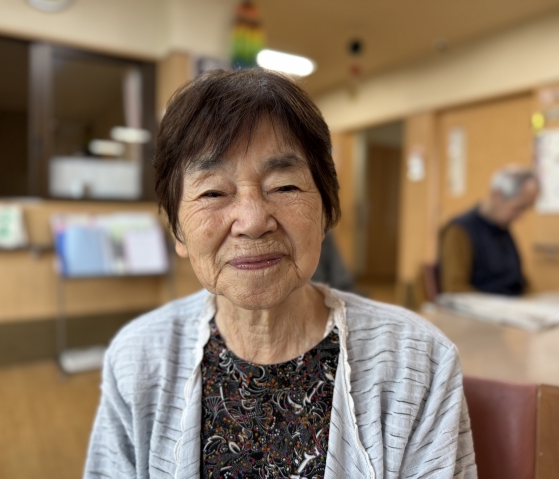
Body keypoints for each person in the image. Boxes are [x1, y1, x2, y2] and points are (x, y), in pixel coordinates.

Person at [84, 69, 476, 479]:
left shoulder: (419, 363)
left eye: (285, 186)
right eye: (213, 192)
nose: (253, 221)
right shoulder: (137, 359)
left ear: (325, 210)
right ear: (176, 229)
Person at [439, 166, 540, 296]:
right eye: (518, 207)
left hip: (512, 305)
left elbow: (518, 279)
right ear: (497, 195)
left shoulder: (502, 228)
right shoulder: (459, 230)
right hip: (481, 306)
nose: (521, 217)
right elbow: (455, 289)